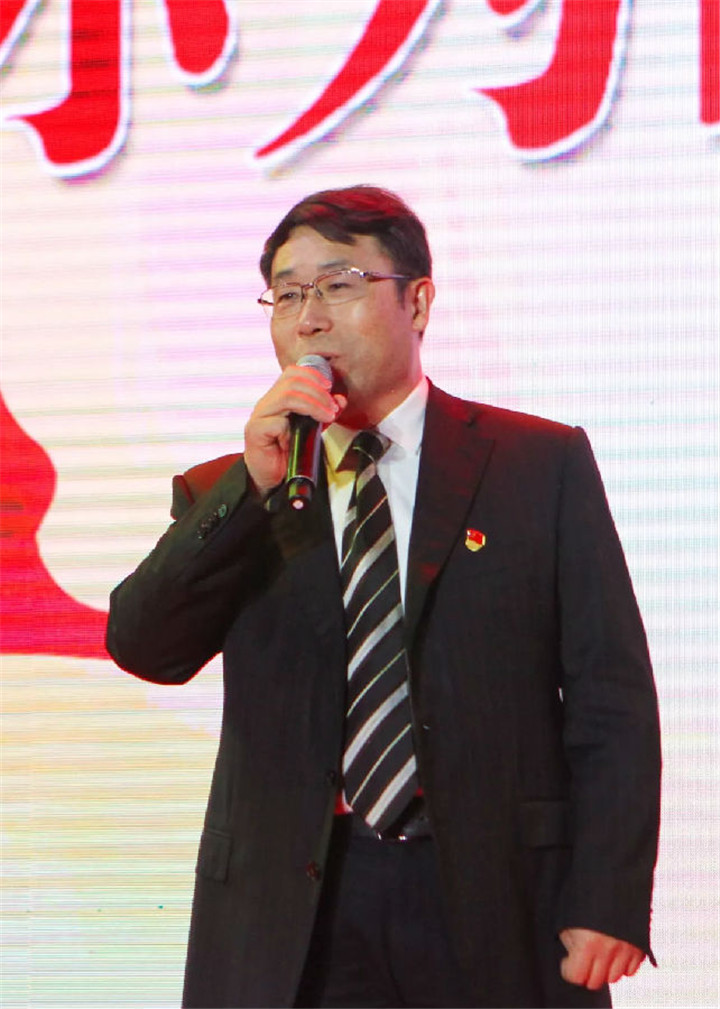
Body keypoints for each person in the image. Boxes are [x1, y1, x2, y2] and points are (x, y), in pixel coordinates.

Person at [106, 185, 661, 1009]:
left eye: (338, 285)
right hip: (297, 908)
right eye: (287, 295)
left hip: (494, 896)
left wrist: (608, 895)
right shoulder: (236, 489)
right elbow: (144, 645)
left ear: (418, 301)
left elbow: (610, 699)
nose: (309, 319)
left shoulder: (536, 465)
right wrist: (251, 489)